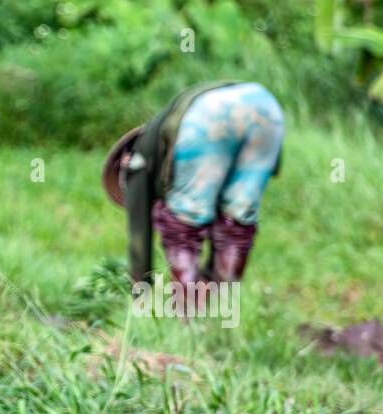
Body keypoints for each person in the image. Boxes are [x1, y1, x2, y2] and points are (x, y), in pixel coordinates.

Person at [103, 81, 284, 292]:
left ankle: (188, 316)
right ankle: (220, 306)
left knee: (181, 229)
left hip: (208, 118)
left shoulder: (136, 161)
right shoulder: (161, 132)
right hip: (265, 105)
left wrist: (140, 289)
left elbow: (139, 232)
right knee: (236, 224)